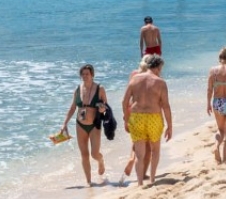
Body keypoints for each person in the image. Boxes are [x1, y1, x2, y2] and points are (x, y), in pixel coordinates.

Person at [120, 55, 173, 186]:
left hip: (137, 117)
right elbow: (165, 106)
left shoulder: (135, 79)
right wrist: (170, 126)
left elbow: (124, 101)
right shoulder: (160, 82)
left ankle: (139, 183)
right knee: (155, 150)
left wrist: (126, 120)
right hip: (153, 117)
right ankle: (152, 179)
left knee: (139, 154)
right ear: (159, 67)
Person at [60, 63, 109, 186]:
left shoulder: (100, 89)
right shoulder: (78, 89)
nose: (85, 76)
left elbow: (105, 106)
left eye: (87, 74)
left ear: (92, 75)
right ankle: (88, 182)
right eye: (83, 74)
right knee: (84, 154)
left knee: (94, 153)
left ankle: (101, 161)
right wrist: (64, 123)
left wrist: (103, 109)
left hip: (94, 124)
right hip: (80, 124)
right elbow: (72, 107)